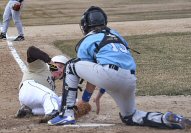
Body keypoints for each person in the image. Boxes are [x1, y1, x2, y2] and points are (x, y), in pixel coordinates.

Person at [48, 6, 191, 129]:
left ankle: (66, 114)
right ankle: (166, 119)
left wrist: (85, 99)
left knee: (71, 65)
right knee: (130, 116)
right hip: (129, 79)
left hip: (109, 75)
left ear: (85, 25)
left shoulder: (86, 41)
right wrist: (100, 93)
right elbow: (114, 65)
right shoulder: (117, 36)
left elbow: (93, 73)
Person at [16, 46, 69, 121]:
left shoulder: (52, 86)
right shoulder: (42, 66)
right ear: (53, 63)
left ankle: (28, 110)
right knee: (50, 95)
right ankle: (52, 112)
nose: (60, 71)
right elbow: (31, 50)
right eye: (59, 67)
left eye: (63, 71)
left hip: (34, 102)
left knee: (64, 100)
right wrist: (50, 62)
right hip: (28, 89)